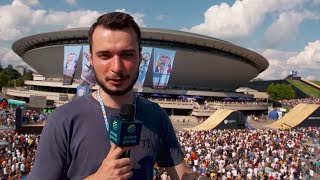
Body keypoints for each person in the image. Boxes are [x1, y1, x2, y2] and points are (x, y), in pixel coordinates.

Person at [28, 12, 207, 180]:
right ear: (91, 59)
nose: (117, 67)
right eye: (105, 55)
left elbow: (181, 173)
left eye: (127, 54)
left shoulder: (156, 115)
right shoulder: (63, 119)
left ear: (140, 57)